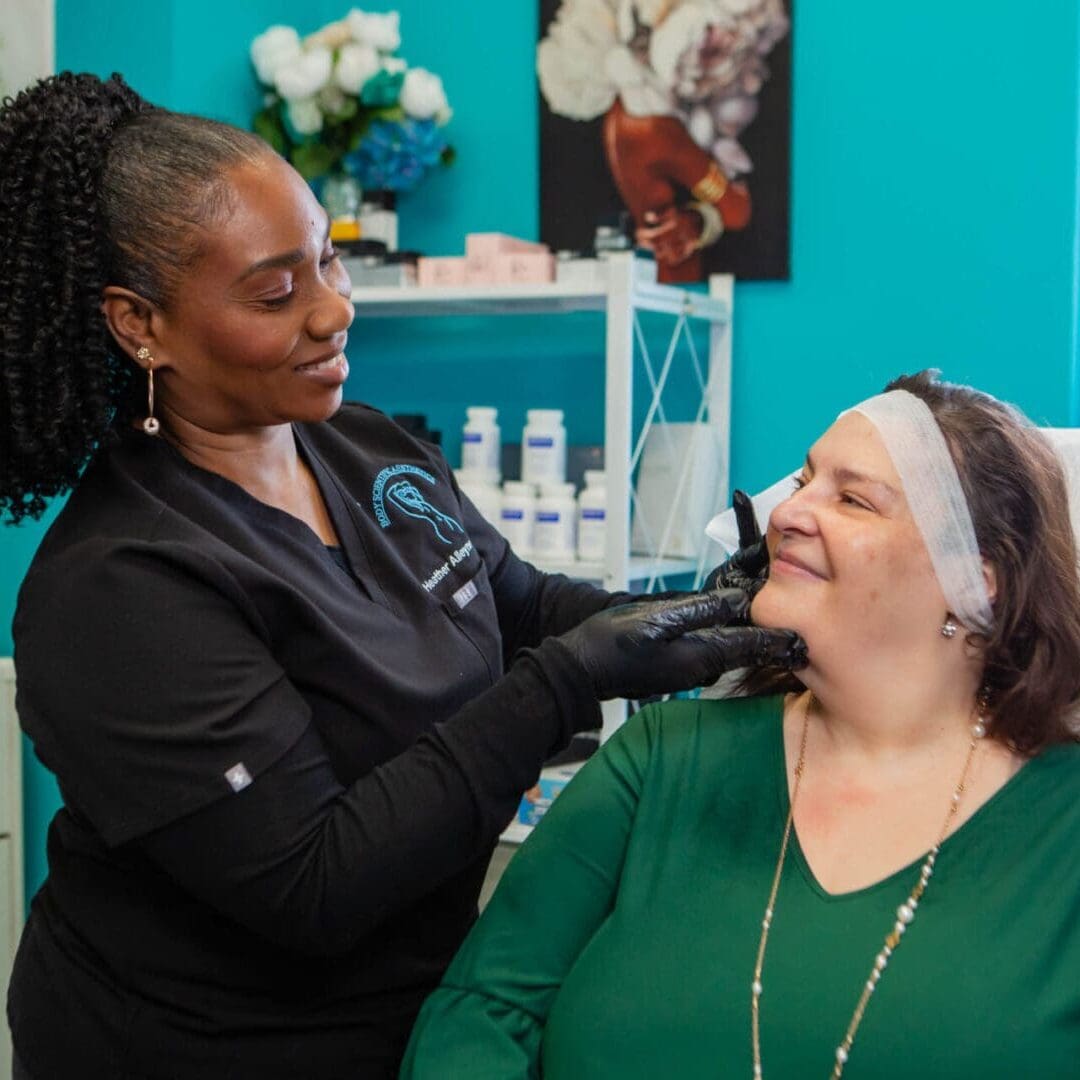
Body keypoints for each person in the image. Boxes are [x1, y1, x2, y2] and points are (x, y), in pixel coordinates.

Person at [0, 72, 806, 1079]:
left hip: (414, 1011)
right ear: (140, 324)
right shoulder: (119, 589)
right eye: (275, 290)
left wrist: (699, 611)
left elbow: (518, 606)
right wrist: (566, 681)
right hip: (201, 1047)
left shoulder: (364, 451)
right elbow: (315, 884)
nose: (335, 310)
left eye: (329, 260)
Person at [401, 370, 1080, 1078]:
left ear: (978, 578)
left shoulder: (1061, 826)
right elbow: (482, 1010)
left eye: (851, 498)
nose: (787, 512)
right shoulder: (661, 761)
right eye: (804, 480)